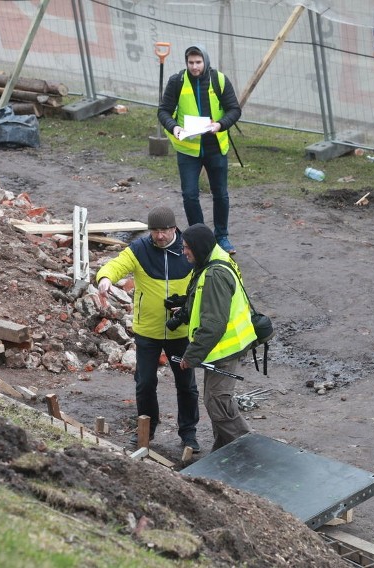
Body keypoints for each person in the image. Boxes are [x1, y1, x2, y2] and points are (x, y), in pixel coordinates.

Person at [95, 206, 201, 451]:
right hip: (148, 331)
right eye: (155, 231)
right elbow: (116, 265)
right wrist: (105, 278)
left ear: (174, 229)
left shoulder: (188, 249)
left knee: (186, 384)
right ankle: (147, 429)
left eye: (164, 230)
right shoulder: (140, 249)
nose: (160, 236)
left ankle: (189, 434)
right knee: (144, 383)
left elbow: (206, 274)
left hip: (180, 331)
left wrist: (190, 307)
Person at [177, 223, 257, 452]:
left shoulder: (214, 274)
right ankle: (223, 453)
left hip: (225, 348)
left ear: (199, 247)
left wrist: (191, 356)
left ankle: (250, 453)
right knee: (217, 402)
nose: (184, 252)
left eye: (186, 248)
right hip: (223, 346)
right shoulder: (215, 259)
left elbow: (214, 323)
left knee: (218, 404)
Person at [158, 45, 241, 255]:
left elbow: (234, 109)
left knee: (220, 194)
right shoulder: (177, 81)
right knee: (190, 195)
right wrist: (174, 127)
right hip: (188, 150)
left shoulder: (219, 80)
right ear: (186, 63)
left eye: (198, 62)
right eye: (191, 63)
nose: (194, 67)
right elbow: (163, 111)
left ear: (205, 61)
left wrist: (220, 125)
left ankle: (222, 236)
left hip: (216, 148)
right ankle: (200, 237)